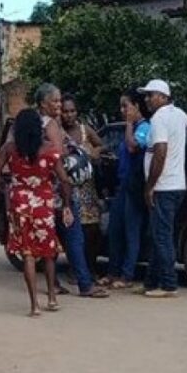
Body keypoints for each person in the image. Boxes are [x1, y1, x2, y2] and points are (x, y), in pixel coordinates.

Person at [0, 109, 75, 317]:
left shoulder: (10, 149)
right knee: (48, 252)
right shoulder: (49, 150)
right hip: (43, 204)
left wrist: (8, 187)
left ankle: (34, 305)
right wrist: (66, 205)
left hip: (20, 205)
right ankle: (52, 299)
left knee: (27, 253)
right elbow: (64, 180)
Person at [31, 84, 106, 298]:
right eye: (55, 101)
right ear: (44, 103)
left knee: (50, 239)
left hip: (42, 191)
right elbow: (59, 155)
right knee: (74, 237)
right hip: (60, 189)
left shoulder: (31, 122)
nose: (59, 105)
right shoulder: (52, 125)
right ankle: (85, 284)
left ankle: (54, 283)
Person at [140, 79, 187, 298]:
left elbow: (160, 152)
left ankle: (169, 285)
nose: (147, 99)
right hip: (177, 184)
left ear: (161, 96)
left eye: (150, 95)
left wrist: (150, 186)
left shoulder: (159, 118)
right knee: (157, 233)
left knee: (162, 236)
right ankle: (151, 282)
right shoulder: (179, 115)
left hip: (164, 186)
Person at [100, 89, 152, 289]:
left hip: (135, 186)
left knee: (132, 231)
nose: (123, 110)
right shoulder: (130, 128)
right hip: (123, 185)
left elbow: (132, 147)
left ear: (137, 107)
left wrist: (130, 124)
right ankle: (113, 272)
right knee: (115, 230)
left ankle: (127, 274)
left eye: (126, 106)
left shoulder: (144, 127)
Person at [59, 95, 106, 276]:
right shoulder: (58, 133)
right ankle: (75, 268)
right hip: (68, 188)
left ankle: (89, 267)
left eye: (72, 111)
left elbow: (102, 146)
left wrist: (94, 152)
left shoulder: (85, 130)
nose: (69, 115)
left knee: (92, 230)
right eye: (65, 111)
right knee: (71, 230)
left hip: (88, 188)